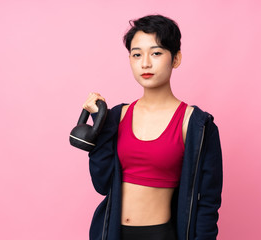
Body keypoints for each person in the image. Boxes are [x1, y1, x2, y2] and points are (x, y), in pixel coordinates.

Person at [82, 14, 222, 240]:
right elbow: (102, 184)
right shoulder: (117, 116)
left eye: (156, 53)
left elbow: (208, 200)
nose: (145, 63)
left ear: (175, 59)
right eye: (137, 54)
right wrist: (97, 127)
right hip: (113, 234)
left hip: (160, 234)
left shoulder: (197, 124)